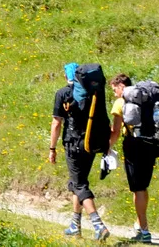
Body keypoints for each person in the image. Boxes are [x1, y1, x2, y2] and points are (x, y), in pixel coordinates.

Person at [49, 62, 112, 241]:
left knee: (79, 185)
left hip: (73, 144)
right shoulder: (96, 92)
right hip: (91, 143)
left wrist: (52, 148)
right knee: (78, 181)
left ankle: (98, 224)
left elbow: (56, 123)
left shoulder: (63, 94)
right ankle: (75, 225)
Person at [110, 74, 156, 243]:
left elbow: (115, 131)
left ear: (121, 86)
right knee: (143, 187)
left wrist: (108, 147)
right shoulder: (146, 98)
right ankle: (139, 223)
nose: (114, 94)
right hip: (151, 144)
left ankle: (145, 231)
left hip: (133, 145)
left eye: (114, 89)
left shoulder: (121, 102)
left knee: (138, 188)